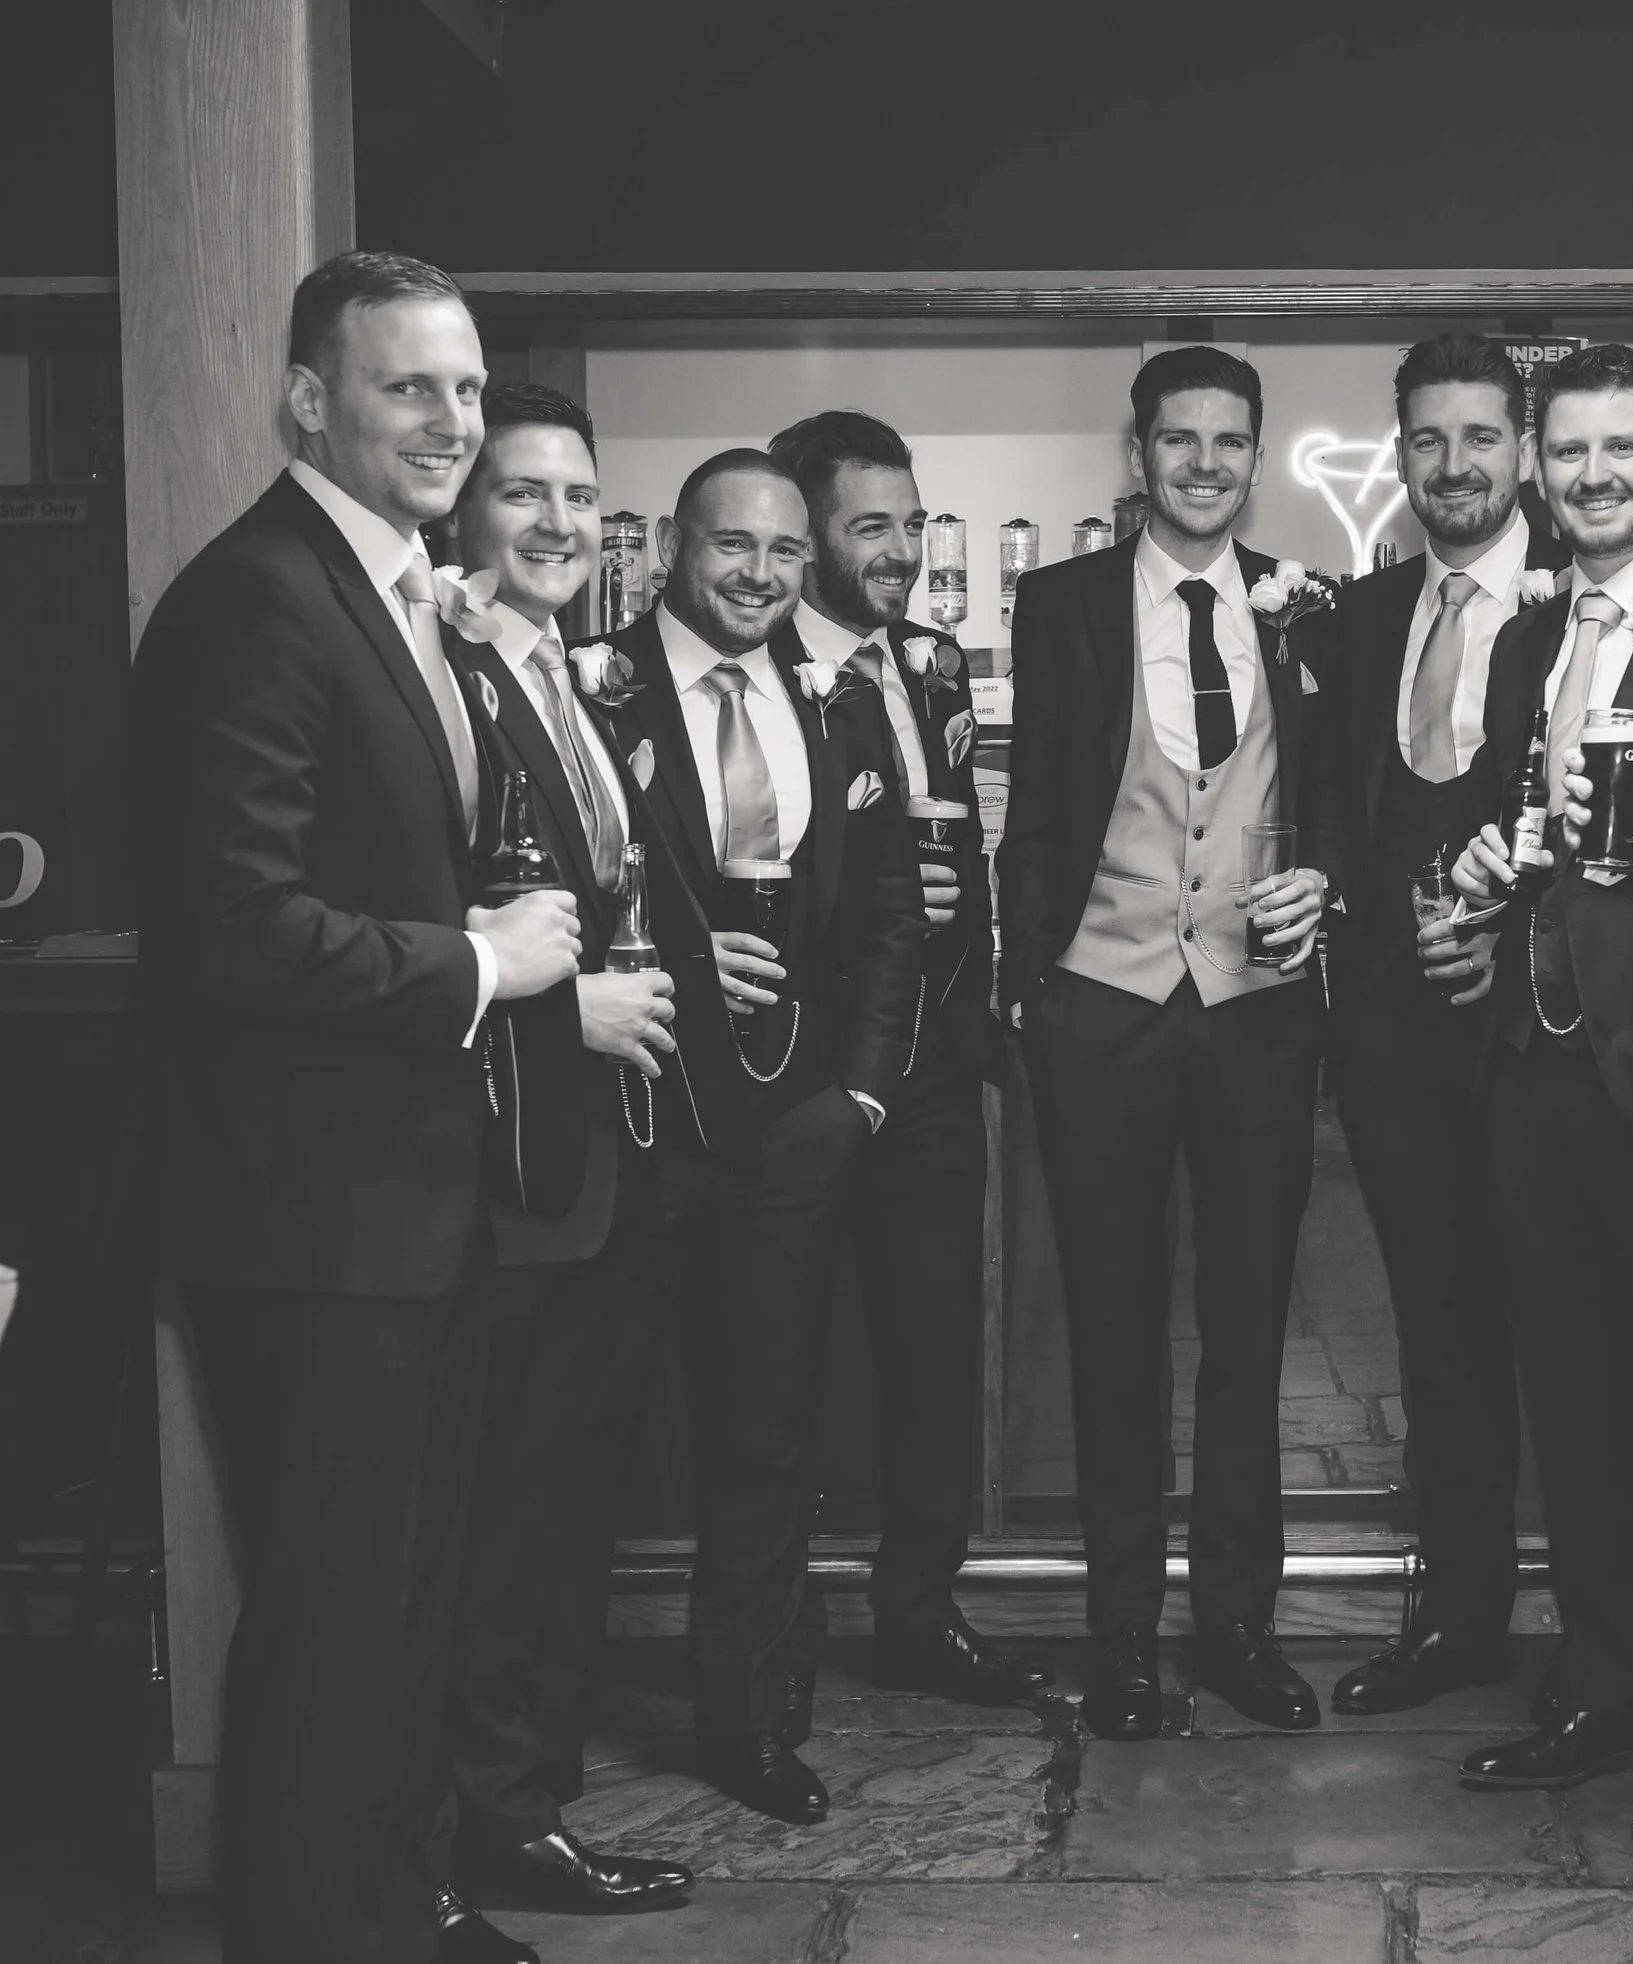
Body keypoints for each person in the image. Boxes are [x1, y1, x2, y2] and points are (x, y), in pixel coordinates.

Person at [133, 251, 582, 1964]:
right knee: (332, 1623)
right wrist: (478, 966)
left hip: (411, 1206)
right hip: (311, 1221)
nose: (452, 421)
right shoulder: (257, 593)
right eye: (411, 387)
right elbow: (235, 926)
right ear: (312, 398)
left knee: (399, 1612)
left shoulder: (396, 590)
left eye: (467, 388)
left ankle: (400, 1908)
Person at [415, 382, 748, 1962]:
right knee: (482, 1528)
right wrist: (575, 1018)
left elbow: (594, 885)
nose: (552, 524)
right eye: (519, 494)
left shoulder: (561, 669)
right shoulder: (438, 670)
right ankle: (462, 1833)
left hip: (604, 1173)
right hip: (505, 1170)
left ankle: (522, 1811)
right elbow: (440, 950)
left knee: (560, 1515)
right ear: (462, 515)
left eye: (574, 498)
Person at [997, 347, 1334, 1740]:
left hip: (1257, 1007)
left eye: (1229, 441)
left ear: (1257, 458)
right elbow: (1040, 808)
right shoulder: (1060, 602)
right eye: (1177, 439)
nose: (1204, 462)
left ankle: (1239, 1626)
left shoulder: (1310, 611)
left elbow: (1347, 804)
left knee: (1248, 1324)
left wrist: (1338, 887)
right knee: (1116, 1323)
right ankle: (1124, 1635)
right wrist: (1029, 984)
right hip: (1103, 998)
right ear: (1137, 456)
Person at [588, 450, 924, 1826]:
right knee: (585, 1435)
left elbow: (896, 915)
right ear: (676, 542)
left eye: (786, 552)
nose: (760, 574)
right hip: (631, 1125)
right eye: (733, 544)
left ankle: (749, 1715)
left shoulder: (838, 704)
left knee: (766, 1437)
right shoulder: (589, 689)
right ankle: (521, 1743)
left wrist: (862, 1100)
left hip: (794, 1131)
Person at [1447, 343, 1633, 1790]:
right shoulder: (1529, 635)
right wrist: (1503, 854)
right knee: (1576, 1401)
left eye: (1620, 449)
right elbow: (1537, 826)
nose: (1592, 477)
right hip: (1535, 1062)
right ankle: (1610, 1684)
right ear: (1538, 473)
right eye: (1566, 455)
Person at [766, 408, 1048, 1707]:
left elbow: (970, 851)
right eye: (869, 524)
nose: (900, 548)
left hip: (936, 1063)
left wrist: (978, 1016)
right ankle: (768, 1634)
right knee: (782, 1362)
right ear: (804, 531)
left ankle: (920, 1611)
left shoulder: (932, 666)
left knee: (936, 1351)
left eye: (912, 520)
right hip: (800, 1076)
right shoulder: (751, 672)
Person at [1308, 334, 1571, 1718]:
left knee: (1581, 1340)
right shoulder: (1359, 616)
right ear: (1397, 450)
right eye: (1429, 439)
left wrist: (1513, 930)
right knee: (1443, 1341)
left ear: (1521, 449)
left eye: (1481, 437)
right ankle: (1460, 1617)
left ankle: (1608, 1646)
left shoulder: (1584, 599)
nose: (1455, 466)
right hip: (1398, 1049)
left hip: (1541, 1044)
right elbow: (1336, 812)